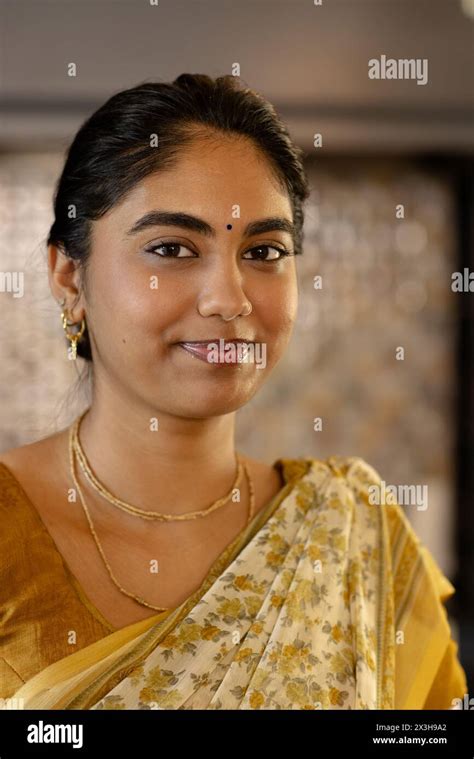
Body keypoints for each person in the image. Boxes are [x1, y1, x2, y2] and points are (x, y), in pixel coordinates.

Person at [0, 74, 467, 710]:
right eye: (171, 248)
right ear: (68, 276)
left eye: (264, 250)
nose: (230, 299)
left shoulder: (352, 529)